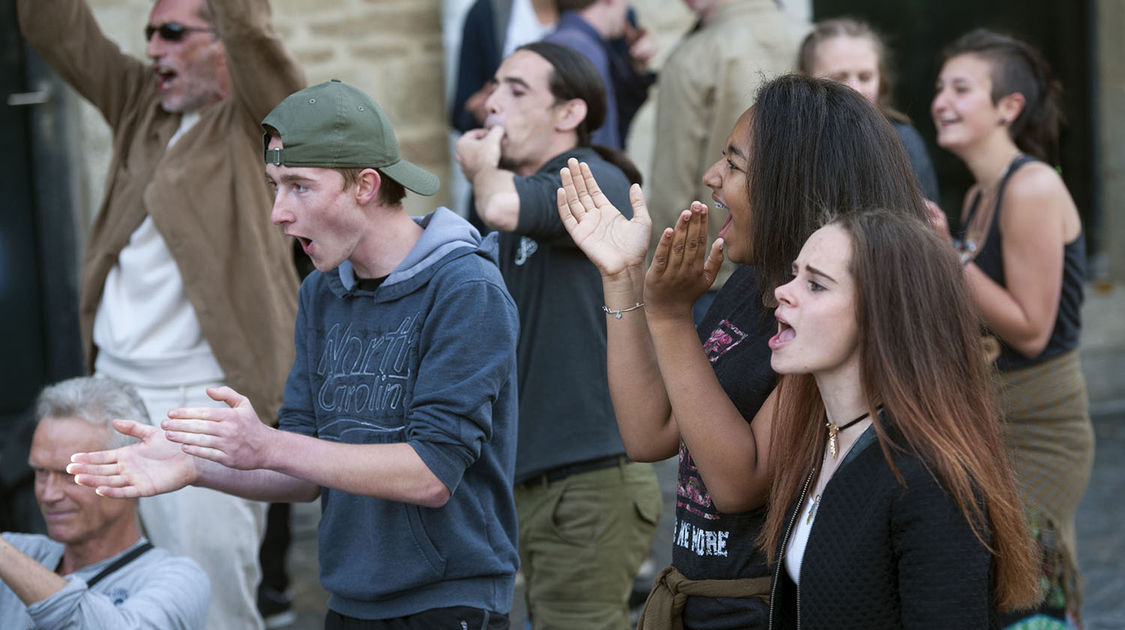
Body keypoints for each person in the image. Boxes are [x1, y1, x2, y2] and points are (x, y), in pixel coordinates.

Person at [67, 79, 521, 629]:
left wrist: (269, 443)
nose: (278, 214)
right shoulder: (320, 291)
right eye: (274, 186)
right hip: (349, 601)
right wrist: (194, 464)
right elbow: (304, 473)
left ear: (366, 185)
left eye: (299, 186)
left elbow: (430, 474)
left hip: (447, 602)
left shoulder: (466, 286)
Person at [556, 74, 929, 629]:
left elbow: (739, 481)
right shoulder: (752, 282)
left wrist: (672, 316)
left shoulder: (823, 315)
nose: (712, 178)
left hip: (758, 611)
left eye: (732, 166)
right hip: (702, 604)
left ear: (791, 185)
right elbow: (648, 431)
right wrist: (622, 277)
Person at [16, 1, 303, 627]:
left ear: (221, 40)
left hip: (198, 399)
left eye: (172, 33)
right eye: (148, 33)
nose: (152, 49)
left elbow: (257, 39)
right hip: (113, 395)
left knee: (214, 598)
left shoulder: (262, 119)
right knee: (112, 585)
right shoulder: (140, 103)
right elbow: (52, 29)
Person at [456, 41, 661, 629]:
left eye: (517, 91)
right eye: (493, 87)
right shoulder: (515, 192)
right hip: (530, 479)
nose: (494, 103)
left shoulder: (591, 174)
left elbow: (499, 207)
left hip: (591, 482)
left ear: (569, 113)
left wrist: (481, 167)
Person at [760, 210, 1040, 627]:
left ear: (883, 316)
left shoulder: (930, 478)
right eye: (795, 273)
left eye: (815, 285)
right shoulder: (826, 436)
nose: (783, 290)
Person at [931, 29, 1093, 629]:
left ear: (1008, 108)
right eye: (940, 86)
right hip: (992, 417)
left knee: (1031, 592)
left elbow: (1029, 328)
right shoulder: (980, 194)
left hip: (1041, 424)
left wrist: (946, 251)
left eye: (961, 88)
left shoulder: (1032, 186)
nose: (941, 100)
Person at [1, 377, 209, 630]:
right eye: (40, 472)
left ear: (132, 475)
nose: (48, 495)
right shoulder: (20, 551)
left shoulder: (178, 580)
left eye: (70, 475)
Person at [647, 0, 804, 321]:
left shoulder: (695, 55)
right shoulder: (808, 43)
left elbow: (672, 185)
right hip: (801, 272)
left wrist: (653, 275)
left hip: (710, 277)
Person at [796, 17, 940, 202]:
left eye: (865, 77)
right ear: (804, 81)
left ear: (881, 80)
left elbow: (924, 225)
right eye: (839, 77)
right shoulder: (787, 144)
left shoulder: (904, 143)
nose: (855, 89)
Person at [545, 0, 657, 150]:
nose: (627, 9)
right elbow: (595, 138)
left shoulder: (578, 42)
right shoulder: (580, 47)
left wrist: (634, 68)